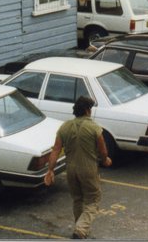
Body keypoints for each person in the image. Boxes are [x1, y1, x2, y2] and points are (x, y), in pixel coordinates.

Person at [45, 96, 111, 239]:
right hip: (88, 169)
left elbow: (55, 150)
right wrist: (105, 160)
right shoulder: (95, 128)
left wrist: (50, 170)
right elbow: (103, 151)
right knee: (93, 200)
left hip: (71, 170)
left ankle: (80, 228)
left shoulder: (64, 127)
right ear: (87, 110)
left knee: (77, 199)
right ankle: (81, 229)